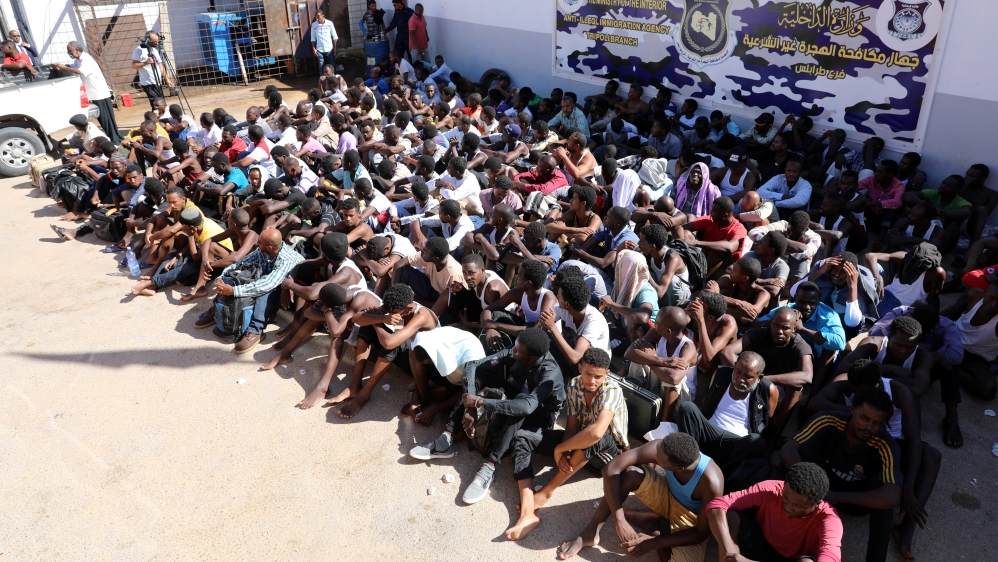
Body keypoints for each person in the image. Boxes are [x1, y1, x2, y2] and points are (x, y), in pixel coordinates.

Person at [410, 328, 565, 505]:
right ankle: (446, 439)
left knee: (521, 404)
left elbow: (527, 406)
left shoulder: (549, 373)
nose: (513, 349)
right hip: (516, 395)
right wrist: (470, 406)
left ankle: (490, 466)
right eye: (515, 345)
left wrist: (481, 403)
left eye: (517, 349)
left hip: (540, 415)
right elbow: (473, 367)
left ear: (531, 358)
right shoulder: (517, 350)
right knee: (478, 376)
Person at [809, 359, 941, 560]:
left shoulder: (899, 392)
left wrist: (908, 489)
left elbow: (914, 442)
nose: (858, 396)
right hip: (859, 438)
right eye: (855, 394)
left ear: (878, 385)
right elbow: (814, 404)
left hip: (890, 445)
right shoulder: (848, 384)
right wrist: (859, 416)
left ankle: (906, 529)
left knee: (930, 456)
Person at [504, 348, 624, 540]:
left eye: (598, 376)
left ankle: (546, 492)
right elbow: (571, 425)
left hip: (608, 456)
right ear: (580, 368)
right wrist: (567, 451)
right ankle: (527, 510)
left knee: (596, 435)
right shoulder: (575, 385)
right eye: (587, 374)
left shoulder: (612, 390)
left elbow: (596, 432)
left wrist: (561, 449)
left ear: (607, 374)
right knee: (522, 436)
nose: (591, 381)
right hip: (579, 442)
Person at [557, 433, 723, 561]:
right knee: (629, 474)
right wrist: (620, 520)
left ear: (679, 468)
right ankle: (590, 532)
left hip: (690, 518)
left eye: (659, 459)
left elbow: (702, 532)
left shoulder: (711, 481)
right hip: (667, 494)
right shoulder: (665, 447)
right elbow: (611, 468)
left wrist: (654, 543)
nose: (655, 456)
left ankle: (655, 530)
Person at [782, 388, 901, 562]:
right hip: (816, 486)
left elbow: (893, 496)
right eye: (865, 418)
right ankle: (776, 520)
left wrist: (837, 497)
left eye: (877, 423)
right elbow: (788, 449)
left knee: (884, 503)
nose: (869, 427)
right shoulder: (828, 420)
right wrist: (809, 485)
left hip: (852, 499)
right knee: (791, 464)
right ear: (853, 409)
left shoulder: (885, 445)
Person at [331, 283, 439, 418]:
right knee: (368, 326)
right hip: (409, 358)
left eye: (394, 313)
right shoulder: (398, 304)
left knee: (391, 342)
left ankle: (364, 395)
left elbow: (389, 343)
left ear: (409, 308)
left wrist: (376, 322)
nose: (392, 314)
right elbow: (356, 318)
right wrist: (381, 317)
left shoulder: (422, 315)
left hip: (425, 366)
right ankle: (355, 386)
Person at [194, 229, 304, 353]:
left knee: (265, 285)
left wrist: (234, 291)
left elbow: (268, 284)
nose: (257, 245)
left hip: (289, 295)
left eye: (259, 244)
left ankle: (256, 330)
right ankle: (219, 310)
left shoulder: (286, 259)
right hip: (270, 281)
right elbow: (241, 263)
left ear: (269, 247)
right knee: (238, 275)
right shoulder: (262, 250)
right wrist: (222, 278)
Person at [706, 462, 842, 562]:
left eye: (798, 506)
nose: (788, 507)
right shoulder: (771, 489)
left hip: (794, 558)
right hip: (762, 546)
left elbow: (831, 556)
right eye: (786, 498)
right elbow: (717, 505)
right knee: (731, 518)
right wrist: (729, 551)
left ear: (816, 504)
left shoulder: (829, 519)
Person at [675, 351, 778, 475]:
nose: (740, 378)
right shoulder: (721, 374)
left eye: (748, 376)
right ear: (734, 366)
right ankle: (689, 459)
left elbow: (768, 423)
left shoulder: (768, 390)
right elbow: (706, 401)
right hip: (709, 431)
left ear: (759, 378)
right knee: (687, 408)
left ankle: (720, 474)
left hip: (736, 444)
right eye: (738, 372)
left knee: (756, 441)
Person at [724, 307, 814, 425]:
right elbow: (727, 352)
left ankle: (776, 432)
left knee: (796, 387)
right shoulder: (760, 333)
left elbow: (807, 376)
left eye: (785, 328)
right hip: (749, 381)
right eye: (776, 325)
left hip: (776, 387)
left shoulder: (799, 345)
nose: (779, 331)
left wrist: (762, 380)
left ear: (794, 329)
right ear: (771, 323)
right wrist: (744, 373)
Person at [130, 207, 234, 297]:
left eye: (184, 227)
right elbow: (193, 247)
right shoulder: (199, 222)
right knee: (171, 256)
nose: (182, 229)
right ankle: (153, 287)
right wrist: (176, 257)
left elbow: (196, 258)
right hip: (203, 253)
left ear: (191, 228)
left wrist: (190, 236)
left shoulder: (208, 234)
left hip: (217, 264)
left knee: (187, 268)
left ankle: (151, 282)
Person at [754, 281, 846, 384]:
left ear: (819, 301)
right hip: (791, 356)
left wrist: (802, 329)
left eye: (811, 303)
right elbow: (752, 327)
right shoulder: (786, 310)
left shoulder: (828, 315)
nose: (806, 307)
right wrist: (781, 321)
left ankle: (813, 394)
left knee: (829, 350)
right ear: (795, 298)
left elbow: (840, 343)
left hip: (817, 360)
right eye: (802, 302)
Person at [624, 307, 698, 418]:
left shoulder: (688, 347)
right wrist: (660, 360)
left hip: (680, 397)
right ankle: (632, 400)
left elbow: (674, 378)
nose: (654, 324)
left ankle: (664, 424)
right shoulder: (656, 332)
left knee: (670, 376)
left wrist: (651, 358)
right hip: (660, 380)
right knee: (640, 357)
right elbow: (629, 353)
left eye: (657, 323)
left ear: (668, 330)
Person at [537, 277, 611, 376]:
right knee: (541, 341)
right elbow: (537, 331)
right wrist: (542, 323)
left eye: (558, 297)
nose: (557, 298)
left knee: (544, 356)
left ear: (567, 304)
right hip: (572, 352)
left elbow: (574, 358)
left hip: (590, 367)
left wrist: (552, 327)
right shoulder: (563, 308)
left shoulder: (594, 321)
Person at [54, 42, 122, 144]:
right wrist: (62, 66)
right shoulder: (78, 60)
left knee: (107, 120)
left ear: (77, 50)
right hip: (94, 94)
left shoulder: (86, 59)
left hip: (99, 94)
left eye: (70, 51)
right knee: (104, 121)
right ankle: (115, 139)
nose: (68, 53)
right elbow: (73, 66)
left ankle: (115, 141)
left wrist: (64, 68)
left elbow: (80, 71)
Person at [799, 252, 879, 339]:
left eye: (843, 272)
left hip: (837, 330)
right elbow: (795, 292)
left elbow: (851, 323)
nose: (836, 274)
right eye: (834, 269)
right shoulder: (825, 281)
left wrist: (853, 286)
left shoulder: (857, 295)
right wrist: (821, 270)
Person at [392, 236, 466, 316]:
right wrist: (395, 293)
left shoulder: (453, 273)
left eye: (425, 251)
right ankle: (400, 304)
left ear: (436, 258)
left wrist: (420, 302)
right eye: (423, 249)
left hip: (444, 303)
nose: (421, 251)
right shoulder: (427, 255)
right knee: (405, 271)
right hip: (432, 289)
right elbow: (399, 264)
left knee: (431, 322)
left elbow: (453, 305)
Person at [678, 196, 748, 279]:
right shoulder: (709, 220)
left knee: (720, 249)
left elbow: (730, 247)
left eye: (714, 211)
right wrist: (682, 239)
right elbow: (681, 228)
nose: (711, 212)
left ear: (725, 215)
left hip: (726, 265)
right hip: (706, 257)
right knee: (686, 233)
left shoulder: (739, 228)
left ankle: (700, 280)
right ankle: (685, 270)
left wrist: (696, 243)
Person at [867, 241, 945, 314]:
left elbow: (933, 298)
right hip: (885, 295)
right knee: (867, 270)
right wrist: (878, 277)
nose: (917, 265)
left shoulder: (935, 272)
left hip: (903, 308)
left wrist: (936, 317)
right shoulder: (907, 257)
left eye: (921, 263)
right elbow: (870, 256)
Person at [748, 210, 821, 287]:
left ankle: (794, 294)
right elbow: (753, 232)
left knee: (803, 259)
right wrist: (777, 242)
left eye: (796, 234)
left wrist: (780, 242)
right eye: (789, 231)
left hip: (792, 278)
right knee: (761, 244)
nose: (791, 234)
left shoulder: (814, 237)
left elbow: (807, 252)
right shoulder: (782, 225)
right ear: (788, 223)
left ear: (806, 229)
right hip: (773, 272)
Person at [902, 175, 970, 253]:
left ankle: (938, 252)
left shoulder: (959, 201)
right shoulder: (935, 193)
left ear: (957, 191)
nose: (943, 186)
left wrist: (943, 213)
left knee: (956, 223)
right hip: (923, 227)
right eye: (943, 183)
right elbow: (907, 195)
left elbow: (967, 212)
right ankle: (903, 235)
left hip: (941, 234)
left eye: (949, 186)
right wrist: (928, 207)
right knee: (909, 204)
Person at [707, 256, 771, 327]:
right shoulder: (727, 280)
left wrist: (715, 301)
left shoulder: (763, 294)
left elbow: (748, 318)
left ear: (745, 278)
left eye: (734, 271)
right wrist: (737, 303)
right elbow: (705, 294)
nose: (730, 272)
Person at [638, 224, 691, 307]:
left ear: (652, 246)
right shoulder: (650, 252)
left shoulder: (673, 258)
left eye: (641, 241)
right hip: (663, 292)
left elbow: (660, 292)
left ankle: (673, 314)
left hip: (680, 299)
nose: (638, 243)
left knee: (672, 280)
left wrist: (645, 271)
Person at [859, 160, 904, 233]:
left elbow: (897, 202)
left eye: (880, 172)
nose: (876, 173)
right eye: (876, 170)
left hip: (883, 218)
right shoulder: (872, 179)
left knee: (892, 210)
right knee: (858, 197)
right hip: (869, 213)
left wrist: (872, 203)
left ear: (890, 175)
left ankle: (880, 239)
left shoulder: (899, 185)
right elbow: (857, 186)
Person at [131, 31, 172, 108]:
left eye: (157, 41)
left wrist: (167, 80)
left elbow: (160, 65)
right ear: (148, 39)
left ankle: (161, 118)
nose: (156, 43)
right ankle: (155, 119)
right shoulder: (138, 50)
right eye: (154, 41)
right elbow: (134, 65)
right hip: (148, 83)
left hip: (158, 82)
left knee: (162, 104)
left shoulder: (154, 50)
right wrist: (145, 63)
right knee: (157, 105)